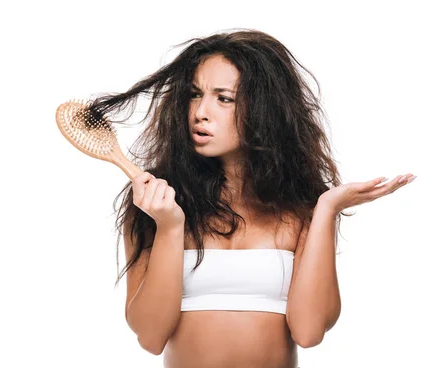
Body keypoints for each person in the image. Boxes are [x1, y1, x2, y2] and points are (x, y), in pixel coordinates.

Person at [87, 29, 415, 368]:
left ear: (263, 109)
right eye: (194, 95)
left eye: (224, 98)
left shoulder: (302, 210)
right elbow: (151, 336)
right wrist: (170, 227)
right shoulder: (154, 205)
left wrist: (327, 209)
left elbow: (309, 332)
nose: (200, 112)